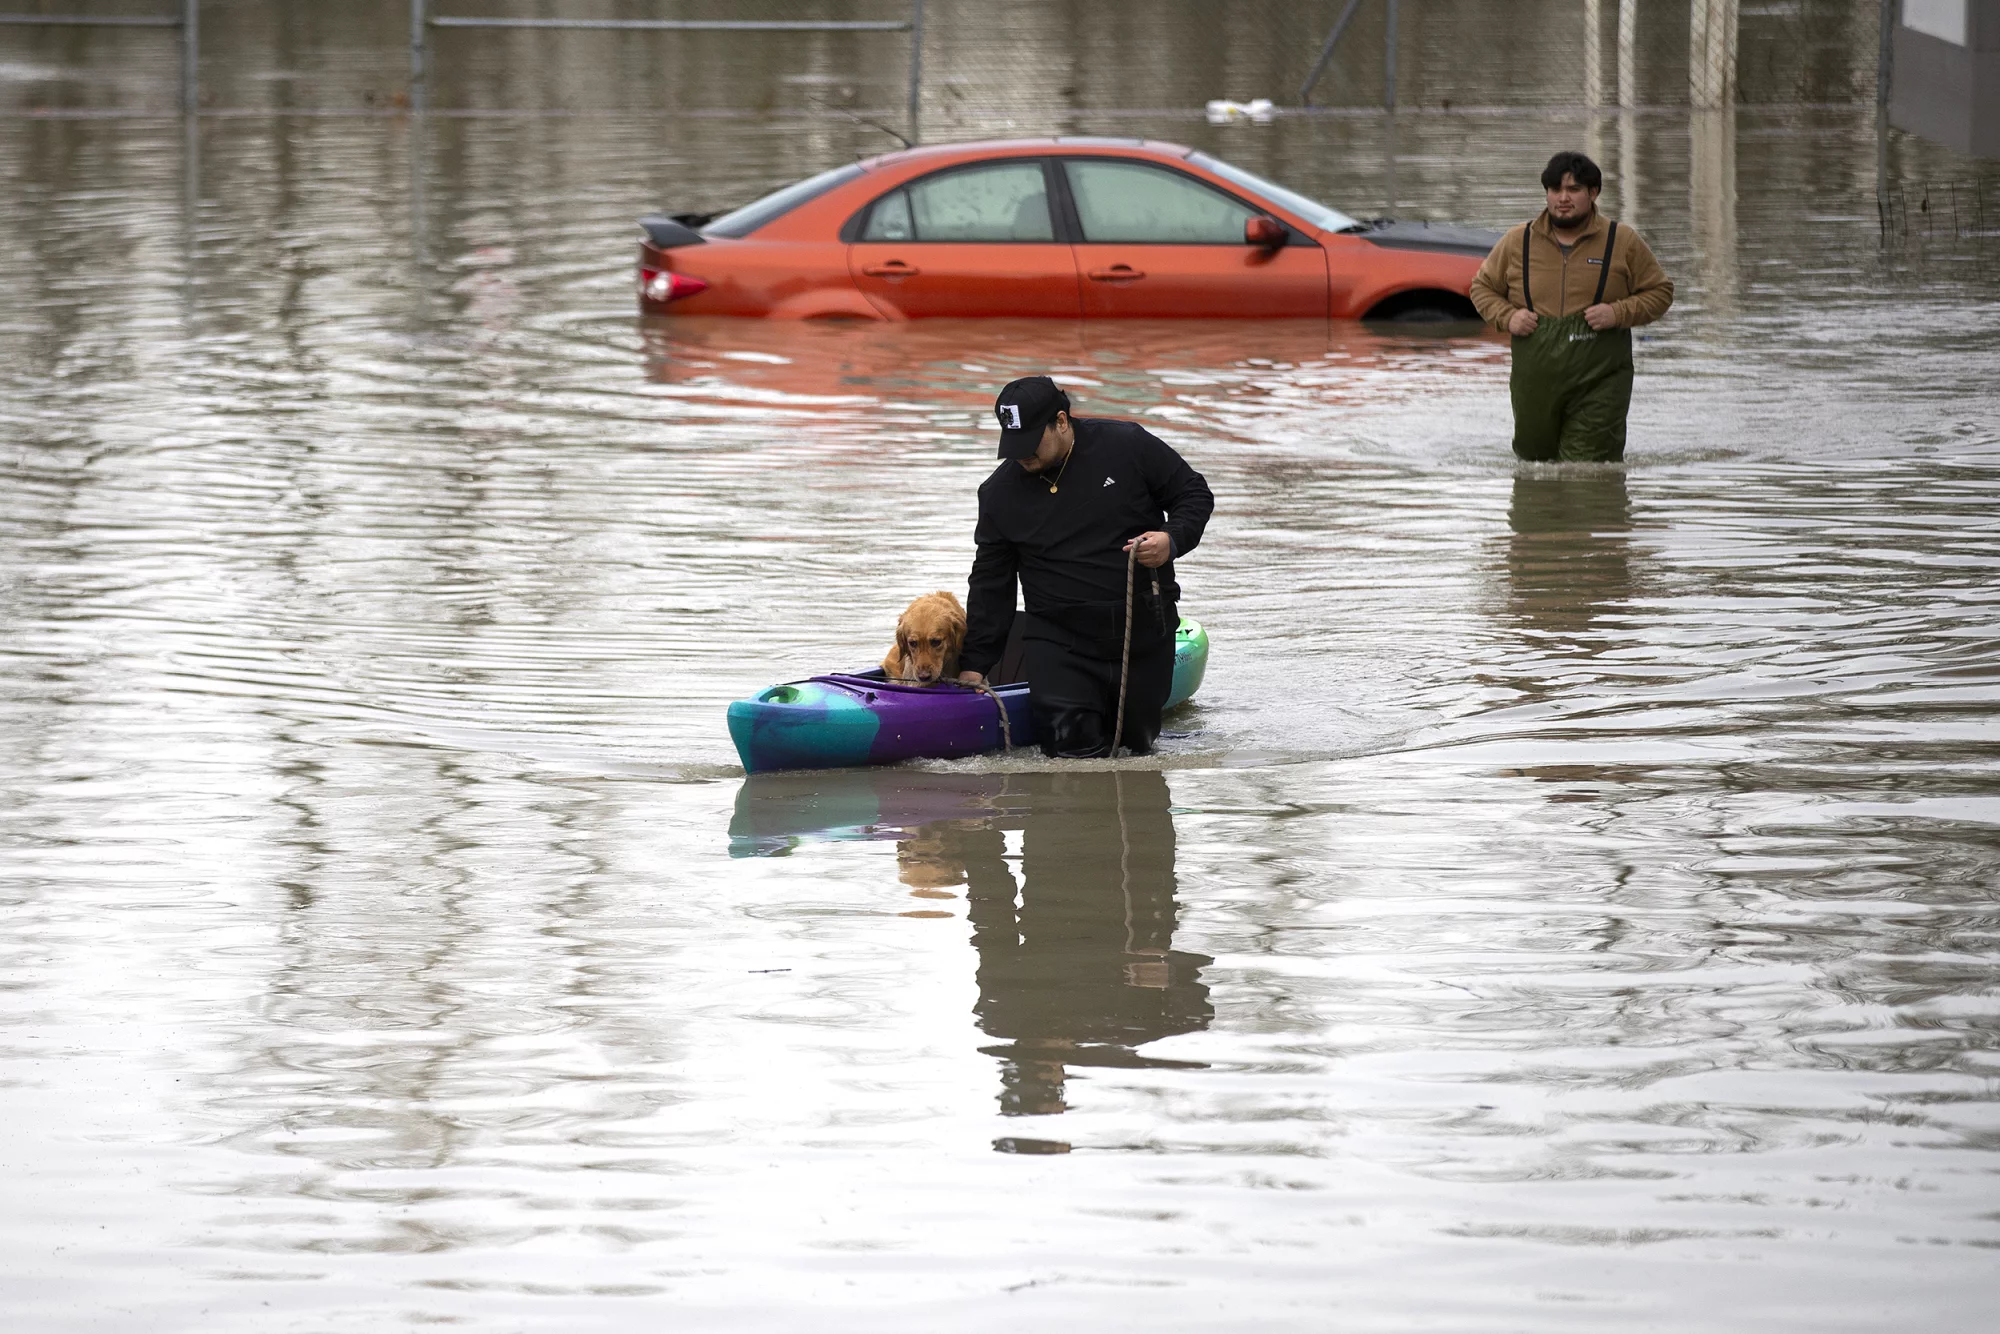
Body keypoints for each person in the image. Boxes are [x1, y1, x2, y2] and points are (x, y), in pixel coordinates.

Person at [955, 376, 1214, 758]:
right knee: (1070, 755)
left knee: (1137, 752)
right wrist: (975, 664)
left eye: (1030, 443)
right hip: (1060, 644)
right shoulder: (998, 495)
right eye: (1012, 445)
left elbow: (1193, 493)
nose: (1021, 456)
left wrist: (1170, 541)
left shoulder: (1127, 446)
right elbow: (991, 584)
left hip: (1140, 636)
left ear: (1061, 421)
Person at [1471, 150, 1674, 463]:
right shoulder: (1517, 241)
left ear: (1593, 193)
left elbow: (1660, 292)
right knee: (1534, 465)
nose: (1563, 198)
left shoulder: (1622, 241)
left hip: (1600, 380)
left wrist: (1617, 313)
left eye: (1574, 190)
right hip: (1535, 380)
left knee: (1586, 468)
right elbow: (1481, 288)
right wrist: (1508, 317)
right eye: (1555, 190)